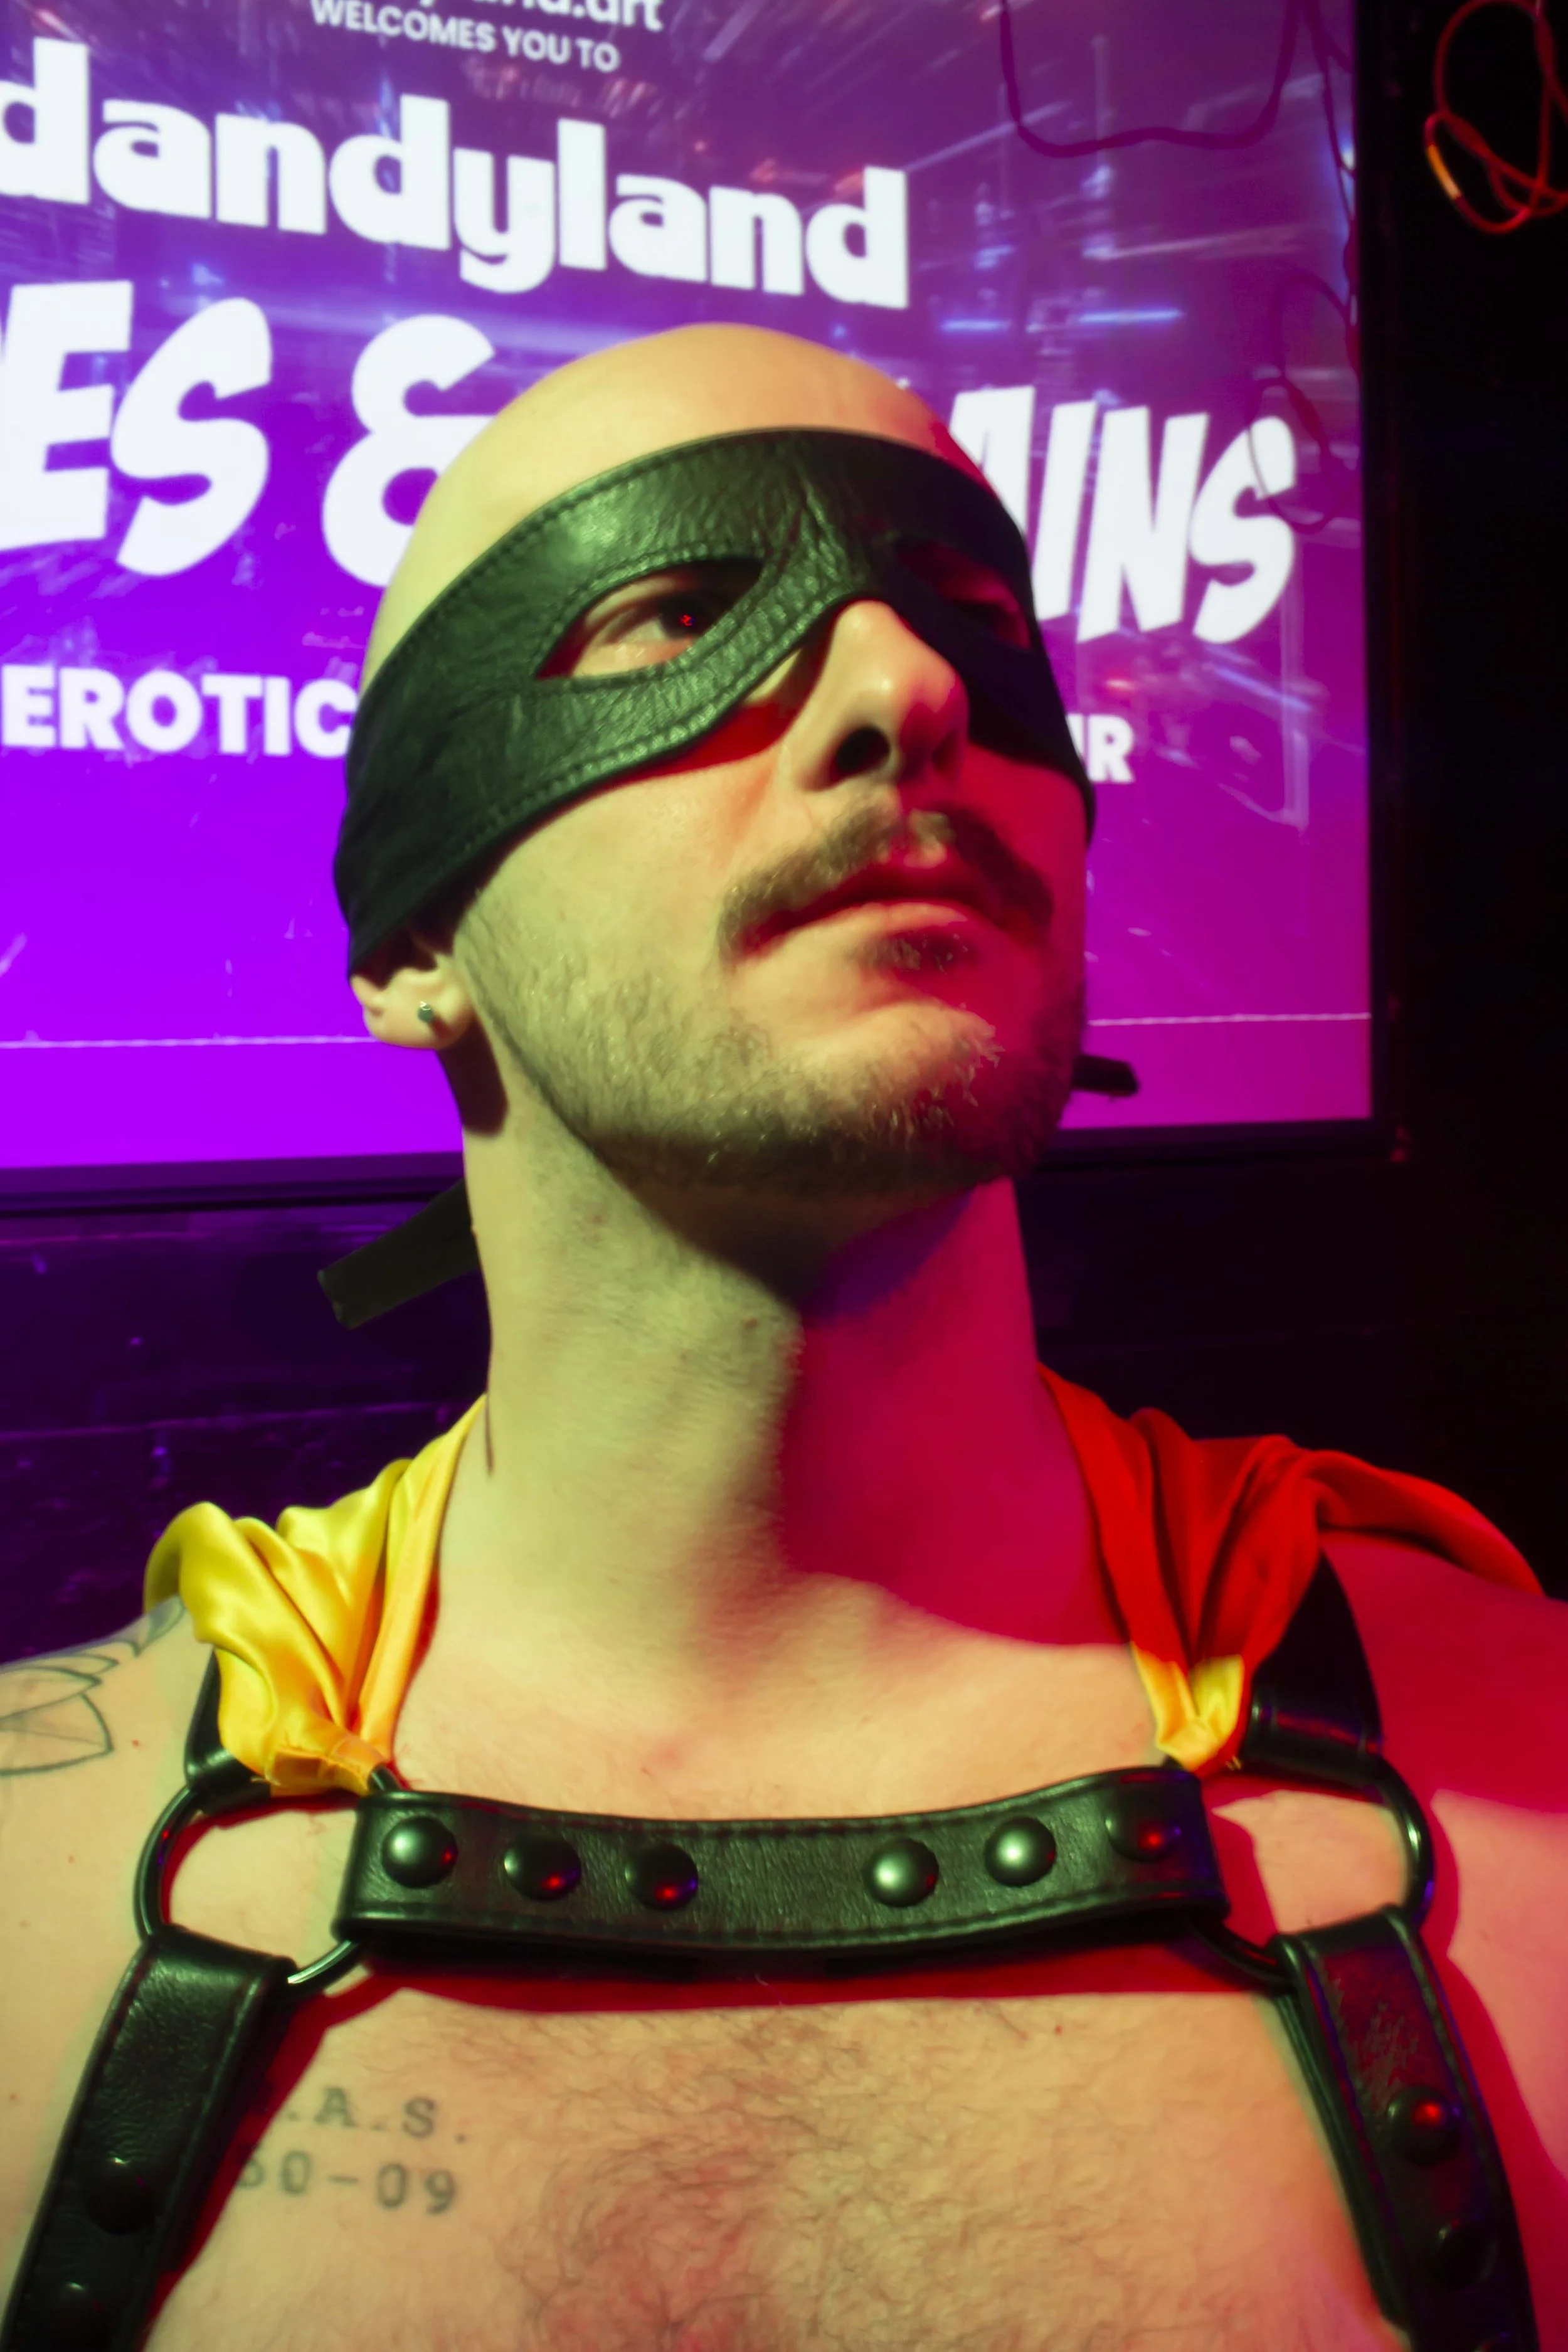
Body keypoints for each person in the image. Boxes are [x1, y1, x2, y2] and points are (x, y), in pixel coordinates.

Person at [2, 322, 1565, 2352]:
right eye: (673, 613)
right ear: (413, 939)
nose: (908, 689)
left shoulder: (1521, 1808)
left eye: (974, 619)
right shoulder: (47, 1898)